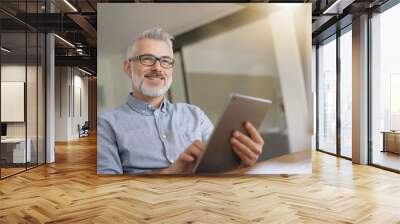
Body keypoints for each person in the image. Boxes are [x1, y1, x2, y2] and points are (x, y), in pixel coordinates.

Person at [97, 27, 264, 174]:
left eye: (165, 61)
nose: (157, 68)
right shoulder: (106, 124)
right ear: (128, 68)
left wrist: (241, 163)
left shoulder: (195, 115)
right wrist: (170, 173)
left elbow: (219, 167)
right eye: (147, 59)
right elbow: (108, 190)